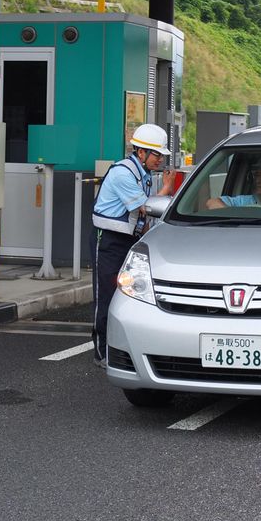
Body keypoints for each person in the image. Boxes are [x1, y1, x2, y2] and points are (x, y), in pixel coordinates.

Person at [90, 123, 177, 368]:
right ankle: (101, 352)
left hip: (128, 239)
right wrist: (168, 192)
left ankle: (122, 348)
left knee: (130, 294)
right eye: (157, 154)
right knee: (105, 295)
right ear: (141, 153)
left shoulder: (143, 174)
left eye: (161, 155)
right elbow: (144, 208)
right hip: (107, 240)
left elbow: (144, 214)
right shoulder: (123, 173)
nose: (160, 159)